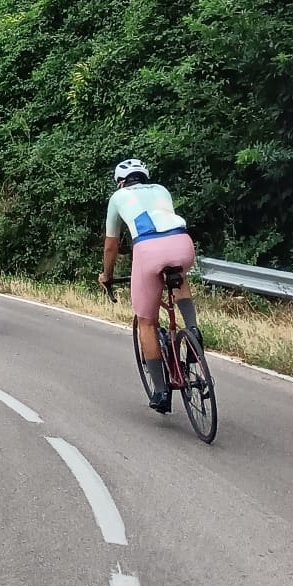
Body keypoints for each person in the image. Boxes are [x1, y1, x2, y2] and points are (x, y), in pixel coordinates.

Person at [101, 157, 201, 412]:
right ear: (144, 176)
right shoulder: (161, 190)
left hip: (148, 247)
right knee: (179, 278)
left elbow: (111, 245)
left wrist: (107, 275)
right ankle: (192, 328)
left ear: (120, 182)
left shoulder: (118, 198)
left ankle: (161, 392)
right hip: (181, 242)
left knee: (146, 321)